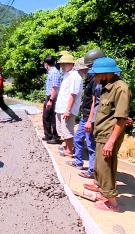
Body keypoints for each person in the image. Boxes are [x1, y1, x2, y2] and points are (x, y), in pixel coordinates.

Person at [84, 58, 131, 212]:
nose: (94, 77)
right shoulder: (107, 86)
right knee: (101, 166)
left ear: (105, 73)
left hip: (109, 136)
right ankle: (106, 195)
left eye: (96, 74)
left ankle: (113, 204)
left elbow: (121, 118)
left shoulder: (120, 88)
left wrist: (111, 142)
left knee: (105, 168)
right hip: (102, 133)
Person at [66, 49, 106, 179]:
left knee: (90, 144)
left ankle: (92, 171)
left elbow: (96, 101)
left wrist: (90, 120)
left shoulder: (97, 78)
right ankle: (78, 162)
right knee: (78, 139)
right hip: (86, 115)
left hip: (91, 116)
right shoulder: (90, 77)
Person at [55, 54, 83, 157]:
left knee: (67, 131)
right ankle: (67, 147)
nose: (62, 66)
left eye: (65, 64)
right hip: (61, 108)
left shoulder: (75, 76)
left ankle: (69, 151)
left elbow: (73, 94)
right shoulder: (67, 74)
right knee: (62, 130)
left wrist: (68, 110)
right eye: (62, 64)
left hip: (67, 109)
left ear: (71, 64)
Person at [42, 56, 62, 144]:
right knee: (46, 117)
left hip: (53, 97)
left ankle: (55, 137)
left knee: (53, 117)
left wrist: (50, 100)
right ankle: (48, 135)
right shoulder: (51, 72)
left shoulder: (54, 72)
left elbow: (55, 88)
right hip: (50, 97)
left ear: (46, 64)